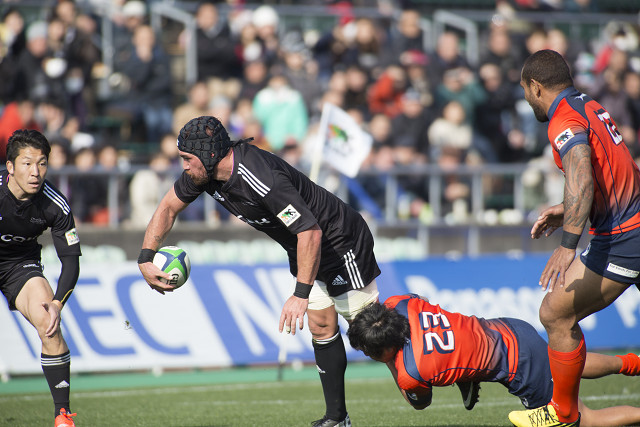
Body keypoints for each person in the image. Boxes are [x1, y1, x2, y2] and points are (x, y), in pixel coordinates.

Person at [137, 116, 382, 427]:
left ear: (209, 154)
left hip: (339, 240)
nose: (183, 166)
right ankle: (337, 419)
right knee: (321, 326)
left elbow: (310, 232)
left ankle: (430, 361)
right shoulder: (202, 175)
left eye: (187, 158)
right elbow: (168, 207)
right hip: (305, 247)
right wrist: (146, 257)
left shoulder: (259, 177)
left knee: (373, 333)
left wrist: (300, 295)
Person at [508, 49, 640, 426]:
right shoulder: (588, 105)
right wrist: (566, 207)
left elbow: (581, 173)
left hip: (624, 236)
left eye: (525, 90)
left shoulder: (563, 118)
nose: (526, 98)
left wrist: (568, 246)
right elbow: (610, 172)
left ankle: (564, 413)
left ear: (536, 87)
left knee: (555, 313)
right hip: (633, 223)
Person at [347, 294, 640, 427]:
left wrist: (390, 362)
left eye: (370, 352)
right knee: (568, 364)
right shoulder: (399, 303)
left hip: (521, 366)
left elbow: (419, 403)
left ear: (386, 348)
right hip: (510, 327)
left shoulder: (411, 371)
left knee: (580, 419)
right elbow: (417, 302)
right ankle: (634, 363)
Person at [0, 129, 81, 426]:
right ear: (10, 166)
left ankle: (62, 415)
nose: (35, 172)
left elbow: (70, 260)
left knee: (49, 323)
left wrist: (57, 303)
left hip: (19, 264)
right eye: (27, 163)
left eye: (42, 163)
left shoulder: (55, 204)